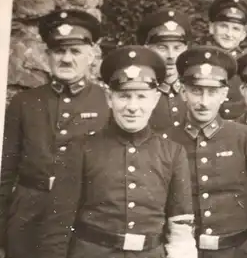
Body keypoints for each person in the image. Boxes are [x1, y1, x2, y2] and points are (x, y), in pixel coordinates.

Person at [44, 45, 197, 258]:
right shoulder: (81, 149)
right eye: (124, 96)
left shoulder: (172, 153)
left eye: (141, 97)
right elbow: (57, 225)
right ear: (110, 98)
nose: (133, 107)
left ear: (154, 100)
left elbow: (180, 227)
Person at [0, 9, 110, 258]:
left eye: (76, 51)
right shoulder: (24, 102)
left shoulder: (106, 102)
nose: (66, 59)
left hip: (82, 217)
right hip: (29, 215)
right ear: (46, 55)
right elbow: (6, 171)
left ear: (91, 55)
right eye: (59, 51)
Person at [169, 45, 247, 258]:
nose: (203, 102)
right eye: (196, 91)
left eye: (212, 92)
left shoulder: (245, 137)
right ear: (183, 92)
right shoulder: (167, 141)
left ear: (224, 94)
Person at [136, 7, 191, 130]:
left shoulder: (193, 90)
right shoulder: (138, 91)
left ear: (186, 49)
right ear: (147, 49)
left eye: (177, 48)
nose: (171, 55)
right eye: (162, 48)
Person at [207, 0, 247, 120]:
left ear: (243, 35)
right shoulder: (196, 60)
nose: (229, 34)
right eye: (223, 26)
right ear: (211, 28)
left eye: (236, 29)